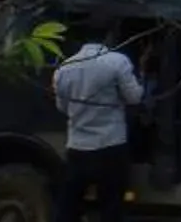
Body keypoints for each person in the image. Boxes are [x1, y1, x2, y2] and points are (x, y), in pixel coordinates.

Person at [51, 29, 144, 222]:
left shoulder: (64, 68)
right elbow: (134, 98)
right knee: (111, 209)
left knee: (68, 208)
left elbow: (62, 108)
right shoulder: (117, 61)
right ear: (108, 36)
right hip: (111, 147)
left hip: (78, 148)